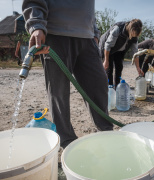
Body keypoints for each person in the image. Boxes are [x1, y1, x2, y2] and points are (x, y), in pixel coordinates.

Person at [22, 0, 113, 149]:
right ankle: (67, 142)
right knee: (58, 92)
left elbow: (89, 9)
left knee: (99, 86)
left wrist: (95, 33)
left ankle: (106, 132)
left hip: (87, 37)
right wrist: (36, 24)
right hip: (56, 34)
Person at [99, 19, 143, 88]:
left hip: (119, 51)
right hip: (108, 49)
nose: (133, 36)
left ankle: (117, 88)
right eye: (132, 34)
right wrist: (106, 60)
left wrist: (138, 67)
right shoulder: (118, 29)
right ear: (131, 29)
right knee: (109, 69)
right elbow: (107, 45)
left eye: (135, 36)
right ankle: (109, 90)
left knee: (119, 67)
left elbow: (135, 52)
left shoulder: (135, 37)